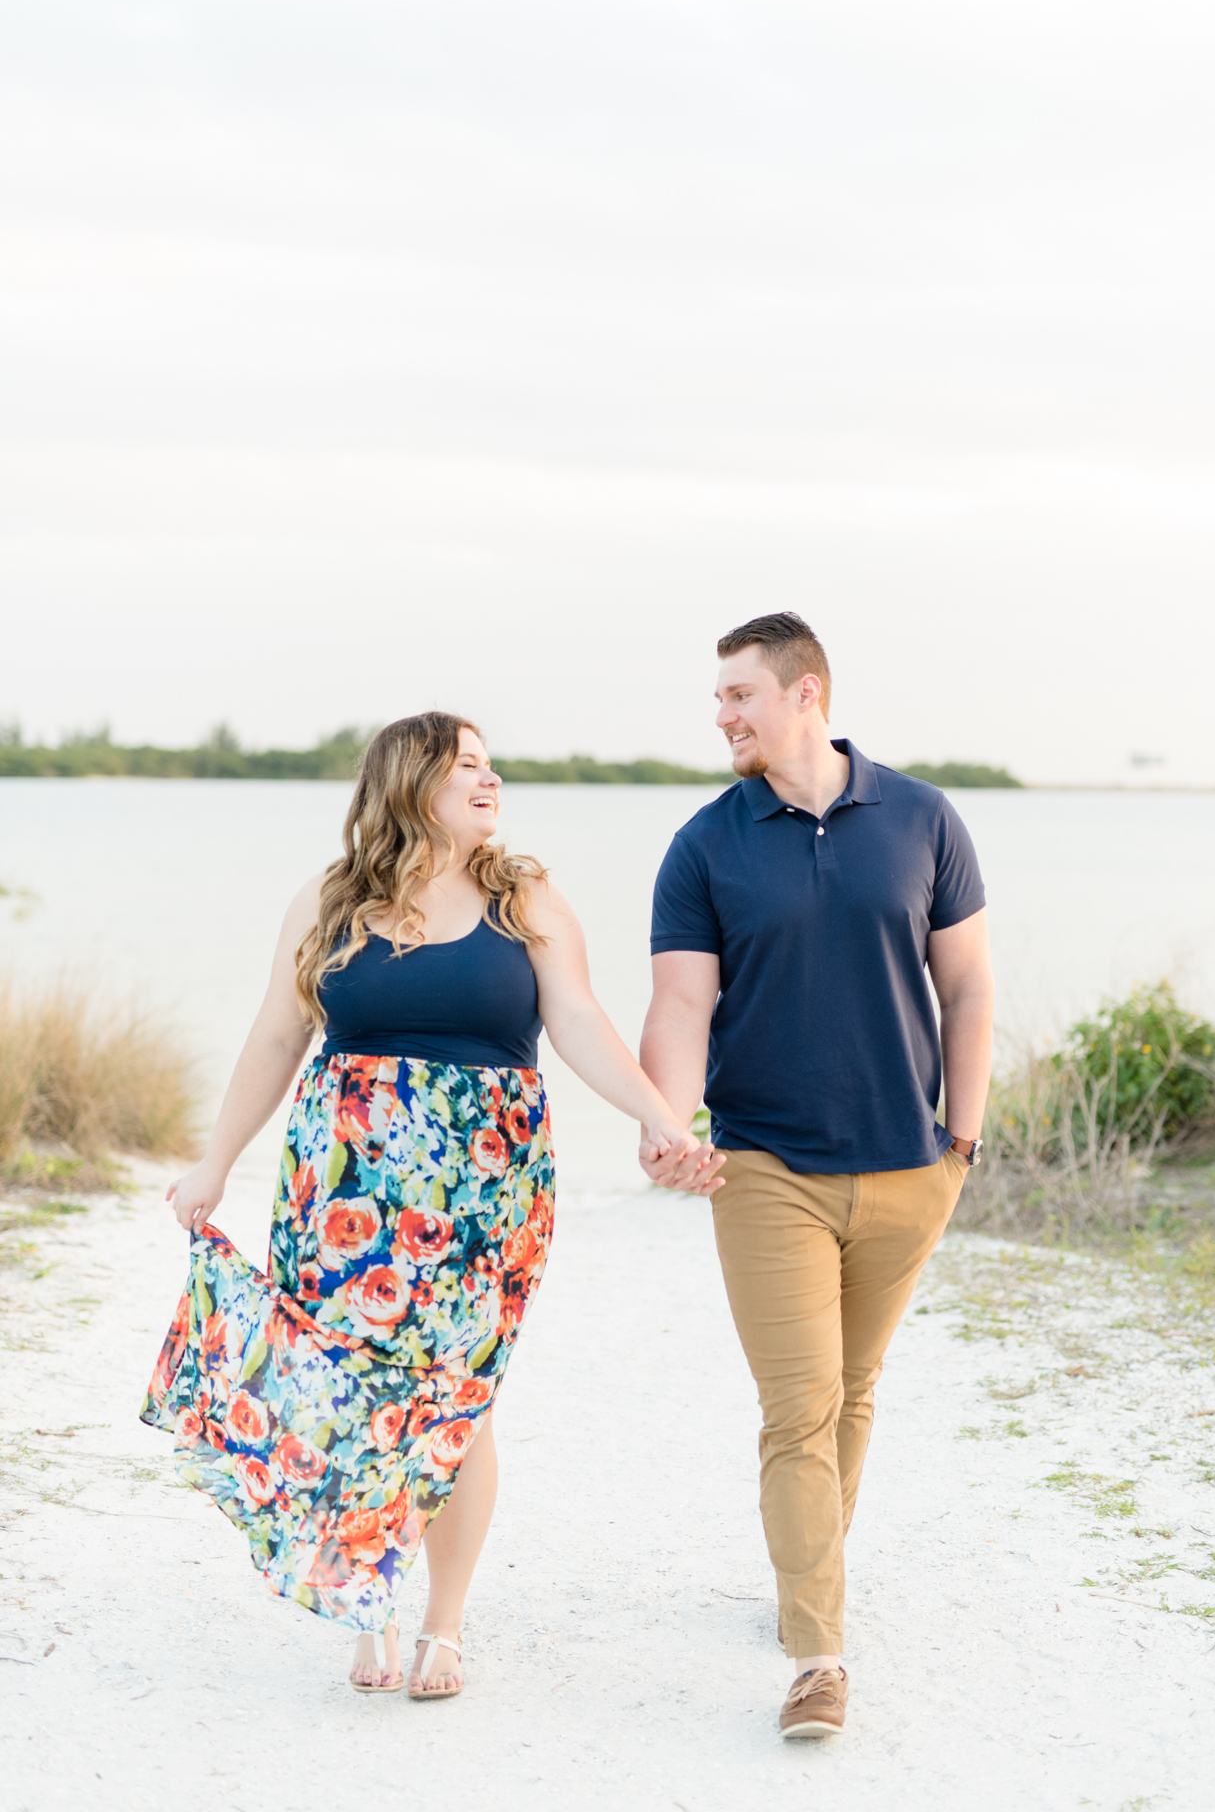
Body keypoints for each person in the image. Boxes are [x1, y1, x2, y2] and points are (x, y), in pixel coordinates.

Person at [144, 711, 722, 1699]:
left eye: (491, 765)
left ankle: (441, 1624)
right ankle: (366, 1604)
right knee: (347, 1397)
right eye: (467, 767)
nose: (490, 780)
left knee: (457, 1398)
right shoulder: (331, 901)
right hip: (339, 1189)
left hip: (485, 1191)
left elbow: (576, 1019)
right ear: (411, 781)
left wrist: (663, 1117)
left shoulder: (523, 895)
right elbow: (277, 1037)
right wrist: (213, 1162)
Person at [640, 612, 994, 1740]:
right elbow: (682, 1000)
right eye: (718, 698)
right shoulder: (704, 843)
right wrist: (665, 1117)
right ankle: (816, 1653)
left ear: (806, 693)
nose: (722, 715)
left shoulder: (922, 816)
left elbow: (969, 986)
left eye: (739, 694)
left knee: (852, 1389)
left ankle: (806, 1574)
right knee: (798, 1407)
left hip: (909, 1162)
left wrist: (964, 1136)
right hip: (765, 1167)